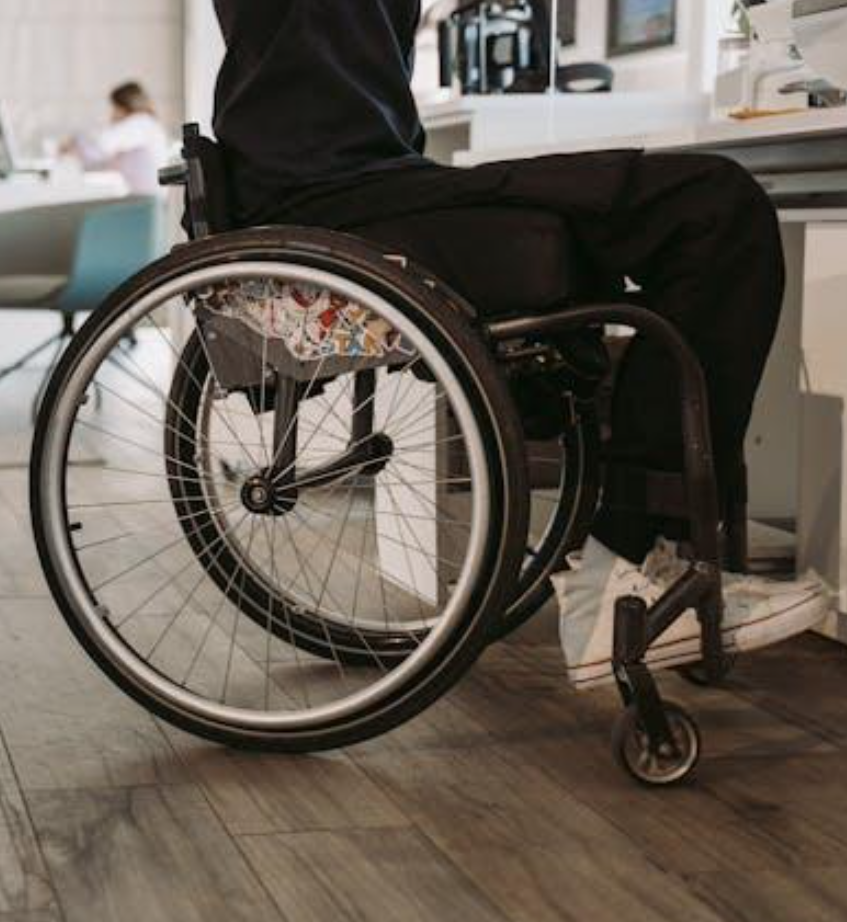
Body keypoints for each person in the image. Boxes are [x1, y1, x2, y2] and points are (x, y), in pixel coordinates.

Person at [211, 0, 830, 688]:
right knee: (717, 210)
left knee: (709, 205)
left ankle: (641, 555)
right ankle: (624, 566)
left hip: (345, 181)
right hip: (341, 192)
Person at [64, 81, 170, 195]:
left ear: (123, 107)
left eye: (114, 108)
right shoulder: (147, 124)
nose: (112, 114)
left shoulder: (139, 123)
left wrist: (75, 140)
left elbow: (98, 149)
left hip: (144, 201)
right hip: (145, 198)